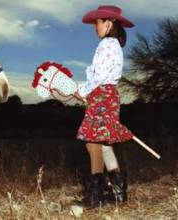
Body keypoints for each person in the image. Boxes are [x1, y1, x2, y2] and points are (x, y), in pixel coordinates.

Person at [73, 5, 135, 208]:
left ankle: (95, 196)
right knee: (104, 144)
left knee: (93, 143)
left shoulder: (107, 44)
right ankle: (118, 192)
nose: (94, 28)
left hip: (102, 96)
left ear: (109, 23)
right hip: (106, 95)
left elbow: (99, 77)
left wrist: (81, 91)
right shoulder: (113, 44)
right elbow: (98, 74)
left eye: (97, 23)